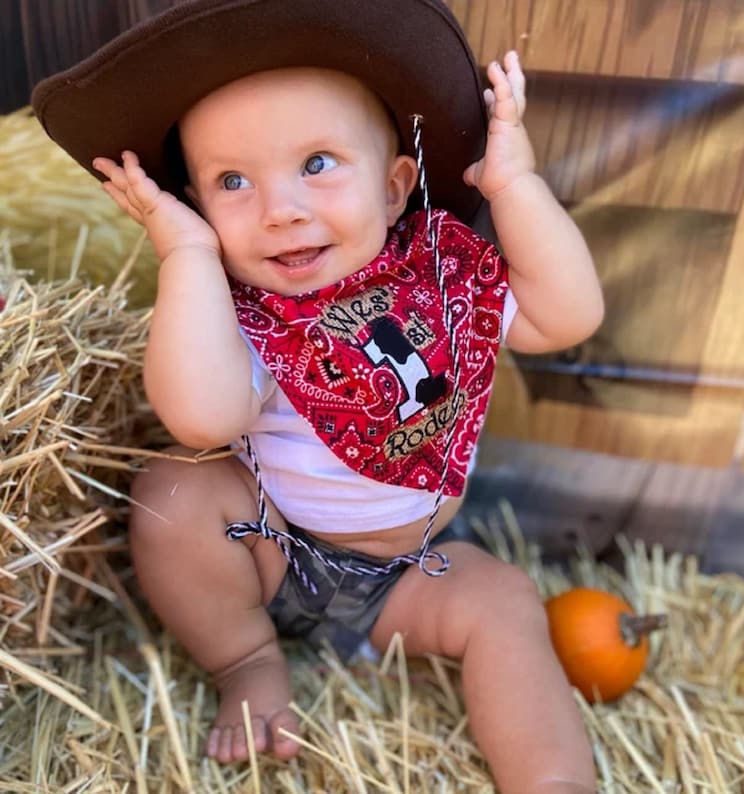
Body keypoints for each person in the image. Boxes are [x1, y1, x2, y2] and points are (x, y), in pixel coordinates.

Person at [33, 2, 603, 791]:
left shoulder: (446, 283)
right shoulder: (243, 313)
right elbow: (203, 418)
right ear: (198, 204)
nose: (281, 209)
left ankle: (553, 782)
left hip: (409, 574)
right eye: (232, 182)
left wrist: (515, 186)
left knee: (506, 601)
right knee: (173, 491)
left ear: (397, 185)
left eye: (318, 163)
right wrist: (190, 257)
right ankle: (246, 660)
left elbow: (568, 314)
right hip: (270, 550)